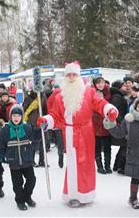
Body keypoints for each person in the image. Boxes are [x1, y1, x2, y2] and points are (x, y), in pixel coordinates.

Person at [37, 61, 118, 207]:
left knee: (86, 162)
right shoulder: (59, 96)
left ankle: (86, 193)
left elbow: (100, 103)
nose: (72, 77)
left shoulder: (89, 92)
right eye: (68, 74)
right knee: (73, 163)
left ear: (79, 76)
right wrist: (46, 120)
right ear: (65, 77)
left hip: (86, 132)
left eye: (74, 74)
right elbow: (55, 115)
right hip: (69, 132)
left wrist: (109, 110)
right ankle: (73, 195)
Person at [103, 94, 139, 209]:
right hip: (135, 154)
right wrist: (110, 124)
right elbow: (119, 133)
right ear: (135, 107)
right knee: (136, 179)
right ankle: (133, 198)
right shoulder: (129, 120)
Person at [0, 104, 37, 210]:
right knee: (17, 183)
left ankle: (27, 197)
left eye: (18, 116)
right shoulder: (5, 129)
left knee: (31, 180)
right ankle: (20, 200)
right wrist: (0, 155)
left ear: (21, 117)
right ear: (10, 117)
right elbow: (1, 144)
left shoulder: (27, 127)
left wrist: (41, 127)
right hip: (13, 160)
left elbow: (35, 139)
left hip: (26, 159)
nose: (16, 118)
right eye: (13, 116)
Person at [92, 77, 112, 174]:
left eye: (102, 82)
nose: (100, 84)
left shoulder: (109, 92)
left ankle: (108, 166)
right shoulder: (92, 93)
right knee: (97, 147)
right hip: (95, 122)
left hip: (107, 122)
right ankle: (100, 166)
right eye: (98, 83)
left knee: (107, 146)